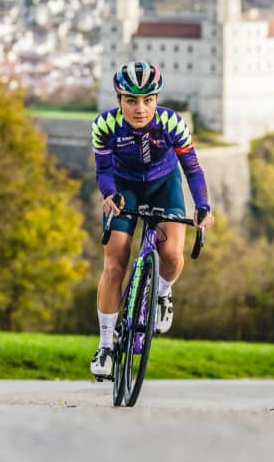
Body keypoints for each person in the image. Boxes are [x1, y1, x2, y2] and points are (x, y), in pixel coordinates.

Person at [89, 60, 214, 378]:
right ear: (119, 100)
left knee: (171, 254)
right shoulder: (104, 126)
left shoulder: (173, 124)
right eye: (131, 100)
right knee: (115, 261)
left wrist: (202, 206)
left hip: (164, 185)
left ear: (157, 99)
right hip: (124, 187)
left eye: (148, 100)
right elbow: (103, 170)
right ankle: (105, 344)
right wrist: (109, 194)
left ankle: (163, 291)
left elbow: (193, 168)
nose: (140, 109)